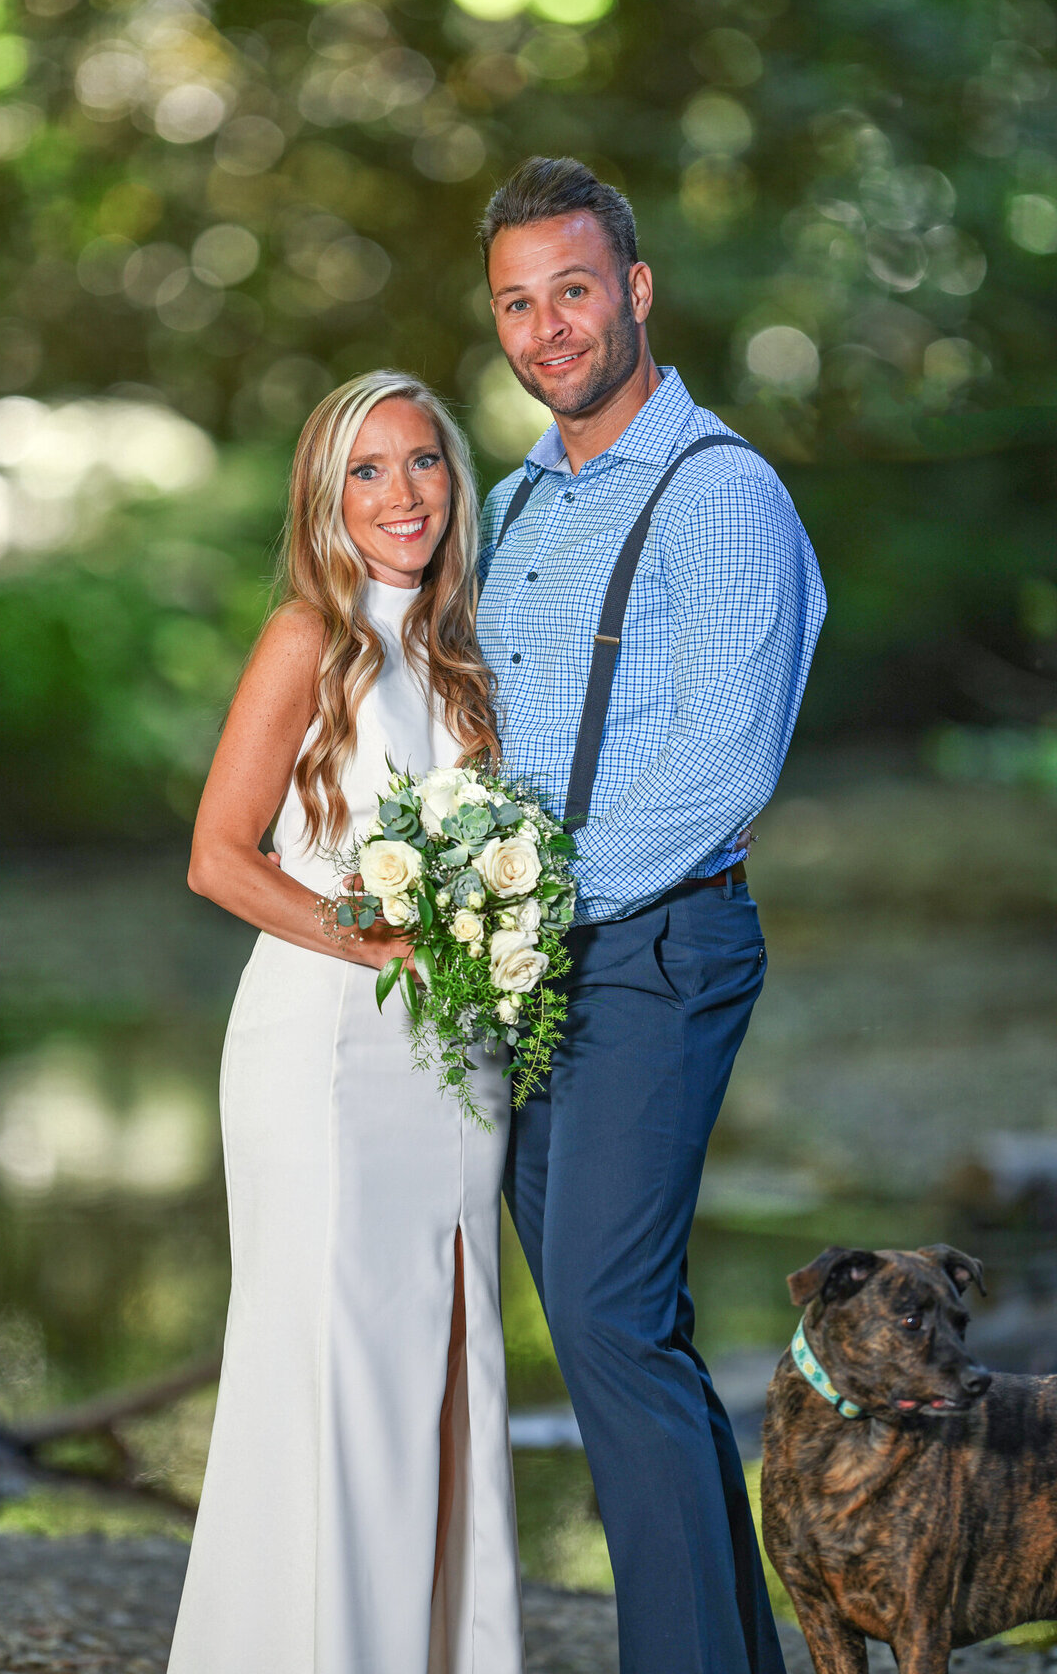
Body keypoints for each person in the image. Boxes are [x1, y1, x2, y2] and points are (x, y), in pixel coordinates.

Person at [476, 157, 826, 1674]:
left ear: (636, 291)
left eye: (573, 289)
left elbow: (724, 765)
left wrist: (539, 911)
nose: (548, 328)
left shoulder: (723, 490)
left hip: (655, 943)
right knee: (626, 1342)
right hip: (522, 965)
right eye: (515, 301)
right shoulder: (501, 505)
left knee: (613, 1331)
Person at [167, 371, 526, 1674]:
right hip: (323, 1050)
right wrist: (366, 936)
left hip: (454, 1063)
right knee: (331, 1360)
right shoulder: (304, 638)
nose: (401, 495)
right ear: (326, 496)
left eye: (422, 463)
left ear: (455, 482)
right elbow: (220, 855)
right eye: (367, 471)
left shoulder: (473, 655)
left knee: (444, 1351)